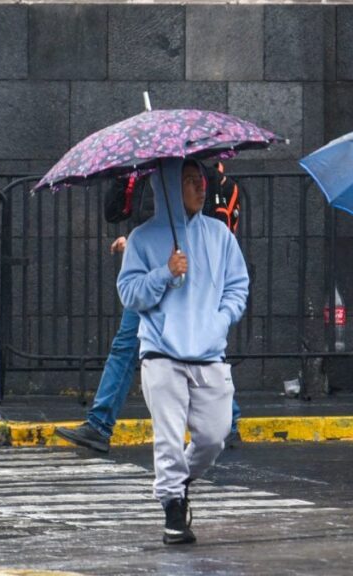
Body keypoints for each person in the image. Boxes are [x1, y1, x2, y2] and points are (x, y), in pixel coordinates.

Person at [54, 169, 242, 454]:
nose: (196, 186)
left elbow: (201, 229)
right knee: (132, 346)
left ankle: (101, 424)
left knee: (188, 349)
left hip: (184, 275)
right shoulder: (151, 172)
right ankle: (100, 424)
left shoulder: (190, 170)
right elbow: (116, 212)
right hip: (159, 273)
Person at [117, 158, 248, 544]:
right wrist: (165, 273)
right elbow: (129, 293)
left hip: (208, 352)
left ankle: (178, 484)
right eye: (190, 181)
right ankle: (172, 509)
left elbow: (237, 287)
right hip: (161, 353)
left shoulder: (220, 236)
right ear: (170, 188)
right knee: (169, 438)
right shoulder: (143, 238)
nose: (200, 187)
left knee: (213, 436)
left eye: (201, 180)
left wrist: (220, 321)